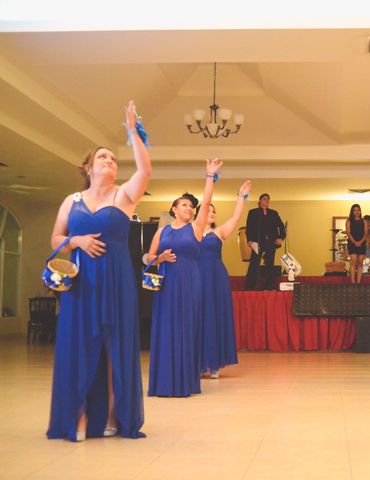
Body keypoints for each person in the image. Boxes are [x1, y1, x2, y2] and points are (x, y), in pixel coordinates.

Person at [47, 101, 150, 442]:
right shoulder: (71, 200)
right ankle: (77, 417)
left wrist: (133, 131)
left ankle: (111, 416)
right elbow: (56, 238)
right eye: (102, 157)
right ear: (89, 167)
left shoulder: (124, 196)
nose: (109, 161)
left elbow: (145, 171)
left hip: (116, 280)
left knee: (113, 349)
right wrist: (75, 241)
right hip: (82, 284)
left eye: (113, 159)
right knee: (79, 347)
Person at [147, 159, 221, 397]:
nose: (189, 208)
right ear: (174, 210)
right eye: (184, 205)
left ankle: (186, 381)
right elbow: (147, 256)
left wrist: (209, 177)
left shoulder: (196, 228)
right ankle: (165, 381)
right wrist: (160, 259)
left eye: (191, 206)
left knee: (187, 328)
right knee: (167, 329)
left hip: (190, 281)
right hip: (167, 282)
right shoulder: (162, 231)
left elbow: (207, 201)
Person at [197, 180, 252, 379]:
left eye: (214, 211)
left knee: (214, 316)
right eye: (207, 209)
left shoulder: (218, 232)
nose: (211, 212)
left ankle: (214, 364)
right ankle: (198, 362)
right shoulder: (191, 232)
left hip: (216, 278)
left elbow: (236, 219)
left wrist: (241, 197)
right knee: (198, 318)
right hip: (196, 278)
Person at [244, 193, 286, 290]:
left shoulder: (274, 213)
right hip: (257, 241)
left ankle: (268, 286)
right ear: (259, 201)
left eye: (268, 199)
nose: (267, 201)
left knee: (270, 264)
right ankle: (250, 286)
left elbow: (281, 226)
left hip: (271, 241)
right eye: (264, 199)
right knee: (254, 263)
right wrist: (249, 240)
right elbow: (249, 227)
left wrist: (281, 237)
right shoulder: (253, 212)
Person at [345, 204, 368, 284]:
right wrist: (355, 242)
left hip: (362, 243)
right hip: (352, 243)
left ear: (360, 211)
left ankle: (358, 282)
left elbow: (366, 233)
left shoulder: (364, 221)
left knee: (360, 262)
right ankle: (352, 282)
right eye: (354, 210)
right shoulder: (349, 221)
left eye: (358, 210)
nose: (356, 212)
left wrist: (360, 242)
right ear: (352, 211)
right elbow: (348, 233)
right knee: (353, 261)